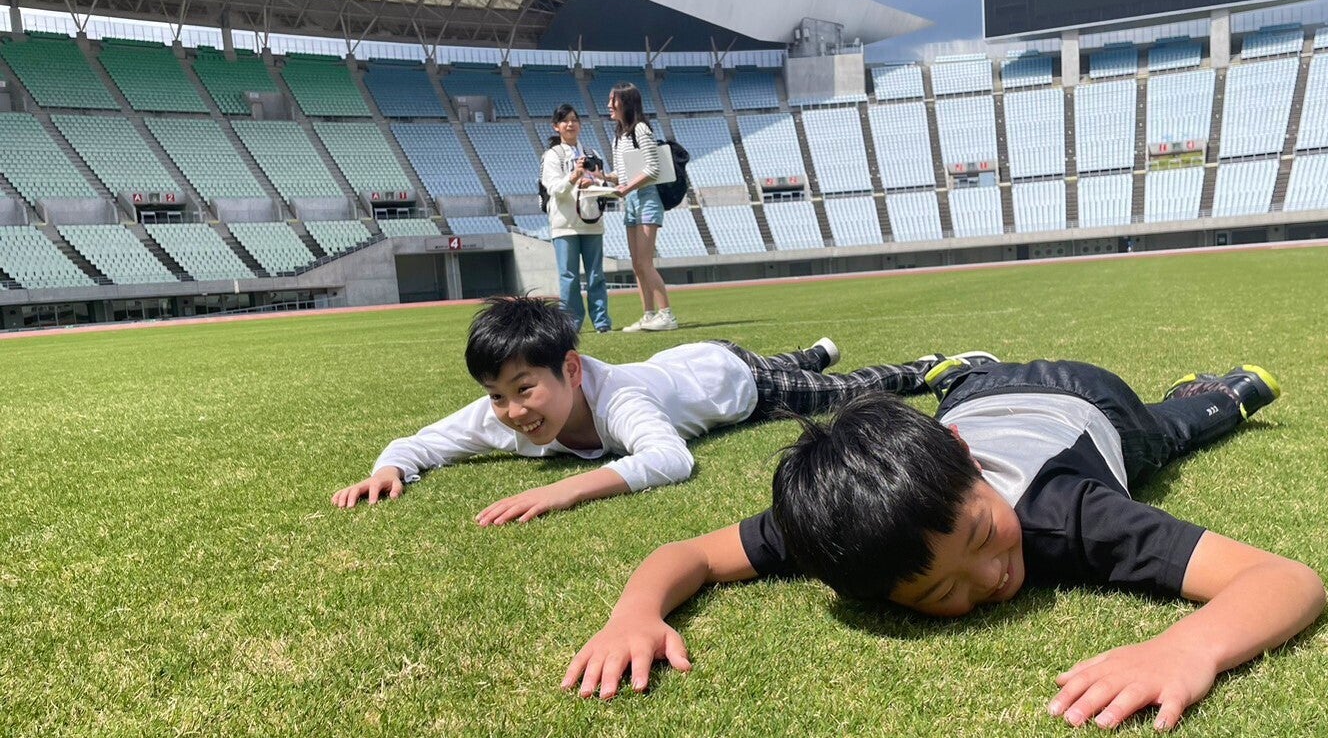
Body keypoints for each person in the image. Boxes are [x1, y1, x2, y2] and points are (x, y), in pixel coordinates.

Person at [563, 354, 1327, 733]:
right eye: (940, 593)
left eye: (983, 534)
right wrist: (634, 615)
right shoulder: (843, 528)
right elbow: (692, 554)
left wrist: (1186, 648)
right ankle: (964, 375)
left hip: (1088, 403)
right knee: (966, 393)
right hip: (973, 407)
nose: (991, 575)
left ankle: (1221, 393)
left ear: (963, 462)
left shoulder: (1067, 512)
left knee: (1165, 433)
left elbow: (1287, 579)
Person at [330, 295, 968, 525]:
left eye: (524, 390)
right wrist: (390, 468)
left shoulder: (618, 399)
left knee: (840, 392)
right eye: (497, 394)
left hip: (731, 381)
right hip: (682, 365)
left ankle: (929, 365)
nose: (512, 411)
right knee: (798, 365)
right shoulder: (505, 414)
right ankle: (813, 352)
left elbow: (671, 458)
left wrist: (565, 491)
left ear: (570, 369)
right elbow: (425, 443)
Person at [607, 82, 677, 333]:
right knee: (637, 263)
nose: (609, 105)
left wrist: (626, 188)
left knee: (645, 262)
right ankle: (648, 314)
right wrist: (602, 177)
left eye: (613, 100)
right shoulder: (619, 135)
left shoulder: (641, 129)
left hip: (647, 197)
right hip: (632, 200)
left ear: (625, 103)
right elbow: (622, 173)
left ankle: (666, 314)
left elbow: (652, 169)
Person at [542, 104, 611, 333]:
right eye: (565, 121)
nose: (570, 124)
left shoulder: (591, 153)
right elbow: (554, 188)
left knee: (596, 275)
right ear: (556, 126)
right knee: (568, 276)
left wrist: (595, 181)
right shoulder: (553, 155)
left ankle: (602, 323)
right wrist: (574, 177)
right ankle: (571, 325)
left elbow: (605, 183)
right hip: (565, 223)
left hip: (592, 220)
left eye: (574, 120)